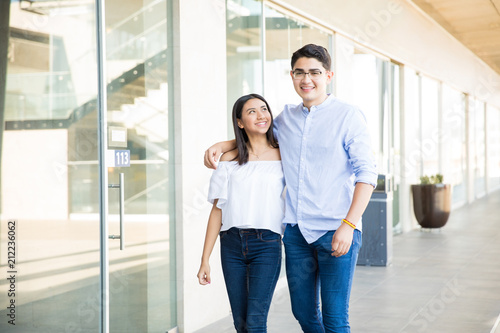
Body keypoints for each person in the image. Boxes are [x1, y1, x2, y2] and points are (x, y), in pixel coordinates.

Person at [204, 44, 377, 333]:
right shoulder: (286, 118)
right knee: (304, 313)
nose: (306, 79)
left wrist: (348, 224)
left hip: (336, 229)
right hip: (296, 234)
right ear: (292, 75)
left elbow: (367, 175)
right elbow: (258, 137)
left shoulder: (349, 116)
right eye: (300, 72)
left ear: (328, 75)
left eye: (314, 72)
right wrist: (224, 145)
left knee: (335, 318)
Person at [197, 93, 285, 333]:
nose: (261, 115)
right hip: (232, 244)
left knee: (256, 322)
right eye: (252, 111)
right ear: (239, 122)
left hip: (267, 244)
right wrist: (205, 259)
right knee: (241, 323)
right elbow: (217, 211)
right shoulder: (228, 160)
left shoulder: (284, 154)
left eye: (264, 109)